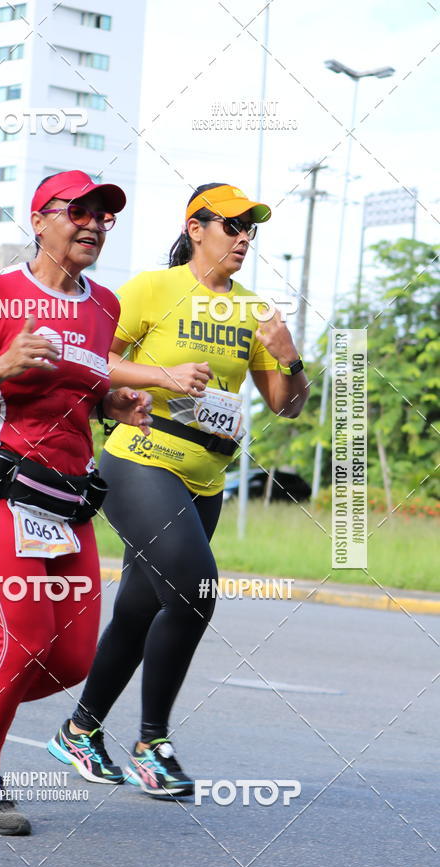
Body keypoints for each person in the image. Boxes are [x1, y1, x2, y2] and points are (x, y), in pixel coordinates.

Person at [48, 182, 310, 797]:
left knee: (142, 609)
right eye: (231, 225)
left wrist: (289, 354)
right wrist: (162, 375)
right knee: (197, 589)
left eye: (251, 229)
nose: (244, 238)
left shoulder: (253, 311)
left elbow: (287, 405)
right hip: (140, 457)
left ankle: (79, 731)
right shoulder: (151, 289)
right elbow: (91, 361)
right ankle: (153, 743)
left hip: (206, 477)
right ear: (196, 228)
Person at [0, 170, 152, 835]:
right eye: (80, 211)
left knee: (72, 659)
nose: (95, 224)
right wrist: (1, 365)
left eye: (105, 216)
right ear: (41, 219)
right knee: (24, 641)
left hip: (67, 499)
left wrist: (118, 403)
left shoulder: (102, 306)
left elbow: (85, 390)